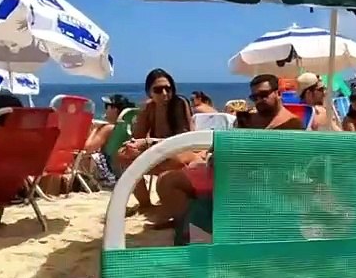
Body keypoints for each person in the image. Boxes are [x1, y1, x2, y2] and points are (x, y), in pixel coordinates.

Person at [149, 74, 302, 227]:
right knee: (166, 179)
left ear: (278, 93)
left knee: (172, 179)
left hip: (249, 182)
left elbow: (282, 167)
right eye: (254, 97)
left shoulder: (291, 125)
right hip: (226, 172)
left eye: (263, 95)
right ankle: (187, 224)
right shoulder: (249, 118)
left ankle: (200, 227)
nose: (259, 101)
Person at [116, 69, 195, 210]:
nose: (165, 94)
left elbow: (185, 140)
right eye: (158, 90)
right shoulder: (149, 108)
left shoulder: (179, 104)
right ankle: (145, 204)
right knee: (124, 155)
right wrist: (133, 146)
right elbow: (138, 136)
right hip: (159, 152)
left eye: (168, 89)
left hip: (182, 151)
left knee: (173, 158)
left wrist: (148, 142)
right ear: (149, 92)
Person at [83, 93, 135, 187]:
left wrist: (95, 130)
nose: (105, 109)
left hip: (108, 173)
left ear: (115, 109)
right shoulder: (128, 128)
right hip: (121, 172)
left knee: (78, 156)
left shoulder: (109, 128)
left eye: (107, 106)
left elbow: (87, 148)